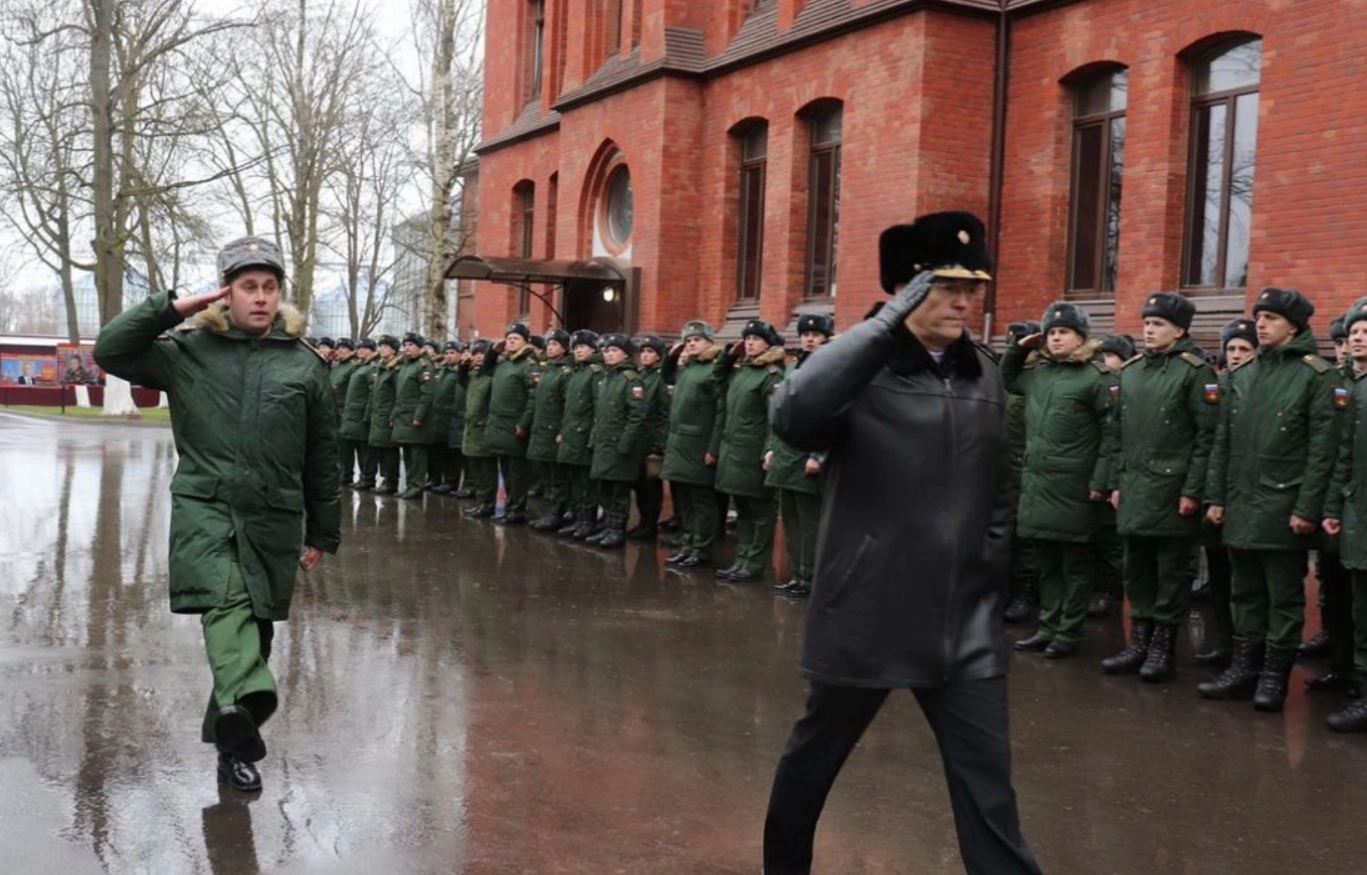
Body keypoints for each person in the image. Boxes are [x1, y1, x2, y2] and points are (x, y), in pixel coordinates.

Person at [762, 211, 1040, 875]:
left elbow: (1000, 482)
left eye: (972, 288)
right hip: (869, 609)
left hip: (962, 621)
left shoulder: (983, 373)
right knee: (813, 760)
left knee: (988, 791)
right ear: (909, 288)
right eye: (946, 287)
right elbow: (792, 415)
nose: (964, 301)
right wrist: (883, 324)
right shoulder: (860, 368)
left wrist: (990, 566)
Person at [92, 235, 340, 794]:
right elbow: (111, 349)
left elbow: (323, 456)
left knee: (254, 635)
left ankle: (233, 744)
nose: (261, 297)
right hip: (206, 511)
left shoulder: (304, 366)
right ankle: (253, 701)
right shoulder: (187, 352)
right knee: (227, 607)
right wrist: (175, 307)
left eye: (269, 287)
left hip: (274, 518)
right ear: (226, 293)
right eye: (248, 286)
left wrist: (324, 531)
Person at [1201, 287, 1340, 712]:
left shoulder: (1316, 376)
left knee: (1283, 597)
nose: (1260, 324)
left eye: (1271, 318)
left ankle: (1273, 679)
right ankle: (1245, 670)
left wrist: (1307, 508)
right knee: (1244, 592)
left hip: (1283, 506)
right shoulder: (1243, 376)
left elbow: (1323, 450)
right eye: (1259, 317)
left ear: (1294, 327)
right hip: (1241, 504)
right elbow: (1222, 444)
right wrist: (1216, 497)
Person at [1102, 293, 1218, 682]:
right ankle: (1139, 643)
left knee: (1170, 572)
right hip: (1134, 486)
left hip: (1172, 490)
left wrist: (1193, 490)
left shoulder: (1194, 372)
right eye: (1147, 323)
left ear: (1179, 330)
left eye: (1158, 324)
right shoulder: (1132, 371)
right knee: (1136, 570)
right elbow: (1116, 433)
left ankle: (1162, 648)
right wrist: (1116, 481)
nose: (1149, 330)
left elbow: (1206, 438)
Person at [1005, 301, 1116, 659]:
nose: (1055, 338)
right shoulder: (1038, 374)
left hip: (1075, 485)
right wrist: (1017, 348)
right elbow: (1007, 379)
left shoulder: (1096, 378)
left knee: (1075, 564)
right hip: (1040, 484)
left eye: (1063, 332)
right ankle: (1047, 627)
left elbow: (1112, 435)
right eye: (1051, 333)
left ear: (1081, 337)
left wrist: (1101, 480)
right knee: (1046, 563)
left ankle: (1068, 631)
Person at [1195, 318, 1258, 666]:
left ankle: (1247, 650)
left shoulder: (1257, 389)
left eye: (1244, 349)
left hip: (1245, 496)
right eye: (1231, 348)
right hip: (1214, 493)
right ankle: (1225, 640)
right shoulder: (1215, 388)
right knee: (1219, 574)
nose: (1235, 355)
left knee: (1245, 582)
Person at [1323, 297, 1367, 731]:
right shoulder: (1349, 386)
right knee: (1357, 607)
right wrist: (1335, 507)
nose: (1358, 338)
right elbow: (1342, 458)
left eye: (1366, 332)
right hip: (1357, 512)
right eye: (1354, 332)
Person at [714, 320, 786, 583]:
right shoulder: (742, 371)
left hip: (754, 453)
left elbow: (774, 419)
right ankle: (742, 559)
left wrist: (770, 449)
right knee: (743, 510)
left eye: (756, 339)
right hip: (735, 452)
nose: (750, 343)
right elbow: (717, 377)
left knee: (761, 512)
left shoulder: (772, 375)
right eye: (748, 339)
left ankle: (755, 564)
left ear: (768, 344)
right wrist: (729, 354)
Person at [767, 314, 832, 598]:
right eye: (806, 335)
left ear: (826, 338)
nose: (809, 339)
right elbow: (780, 412)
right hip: (786, 455)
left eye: (816, 335)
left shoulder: (831, 368)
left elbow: (832, 416)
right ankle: (798, 576)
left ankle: (812, 578)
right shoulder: (792, 367)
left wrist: (819, 455)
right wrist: (771, 448)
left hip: (808, 457)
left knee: (811, 525)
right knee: (791, 521)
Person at [660, 322, 726, 569]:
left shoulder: (713, 370)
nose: (691, 344)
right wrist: (672, 356)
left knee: (702, 501)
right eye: (688, 341)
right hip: (679, 443)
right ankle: (688, 544)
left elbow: (721, 413)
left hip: (699, 445)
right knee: (684, 500)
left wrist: (714, 448)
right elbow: (667, 377)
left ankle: (702, 548)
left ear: (710, 342)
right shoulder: (687, 368)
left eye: (697, 339)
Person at [587, 334, 648, 549]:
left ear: (626, 354)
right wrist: (594, 438)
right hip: (603, 443)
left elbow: (637, 415)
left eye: (614, 350)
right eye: (606, 350)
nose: (609, 354)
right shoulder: (607, 378)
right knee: (605, 488)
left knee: (618, 491)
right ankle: (607, 526)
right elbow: (599, 414)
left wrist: (625, 443)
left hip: (619, 445)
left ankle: (617, 529)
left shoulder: (631, 380)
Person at [485, 323, 538, 523]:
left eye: (516, 338)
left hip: (515, 425)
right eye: (509, 338)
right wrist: (492, 352)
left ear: (526, 342)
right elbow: (485, 371)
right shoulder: (503, 363)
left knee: (517, 472)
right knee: (506, 470)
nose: (511, 342)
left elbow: (533, 397)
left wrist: (524, 423)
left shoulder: (529, 365)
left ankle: (517, 510)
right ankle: (509, 508)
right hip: (499, 425)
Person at [558, 331, 604, 538]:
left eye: (582, 347)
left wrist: (592, 437)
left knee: (587, 483)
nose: (578, 351)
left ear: (593, 349)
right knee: (576, 481)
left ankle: (588, 521)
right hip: (572, 435)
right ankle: (578, 519)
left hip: (584, 436)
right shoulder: (577, 373)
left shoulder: (595, 373)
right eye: (575, 348)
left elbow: (598, 408)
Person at [527, 329, 574, 531]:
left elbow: (567, 405)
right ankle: (549, 512)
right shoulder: (548, 369)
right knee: (546, 473)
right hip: (542, 429)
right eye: (549, 344)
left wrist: (562, 430)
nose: (550, 347)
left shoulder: (565, 373)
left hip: (554, 430)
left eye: (555, 344)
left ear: (564, 348)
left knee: (557, 476)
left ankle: (557, 513)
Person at [628, 335, 670, 541]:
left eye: (650, 352)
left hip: (650, 440)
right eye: (643, 351)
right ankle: (643, 522)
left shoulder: (659, 379)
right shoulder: (639, 376)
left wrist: (659, 443)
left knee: (650, 486)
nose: (645, 355)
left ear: (659, 356)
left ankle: (649, 524)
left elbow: (664, 413)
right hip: (638, 439)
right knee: (638, 483)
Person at [391, 332, 436, 500]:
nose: (407, 348)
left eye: (411, 345)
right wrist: (394, 415)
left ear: (419, 347)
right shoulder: (406, 366)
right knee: (408, 455)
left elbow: (427, 394)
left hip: (415, 418)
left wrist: (419, 417)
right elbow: (400, 395)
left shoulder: (424, 366)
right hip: (403, 417)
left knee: (417, 456)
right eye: (405, 345)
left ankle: (417, 487)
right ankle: (410, 485)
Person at [461, 340, 499, 517]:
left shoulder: (491, 376)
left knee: (486, 471)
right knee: (476, 469)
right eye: (475, 354)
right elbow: (461, 380)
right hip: (472, 428)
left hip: (484, 427)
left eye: (481, 354)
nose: (478, 357)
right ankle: (481, 501)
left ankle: (488, 504)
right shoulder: (474, 376)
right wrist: (463, 366)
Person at [366, 336, 403, 495]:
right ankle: (385, 479)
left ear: (394, 350)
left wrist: (393, 416)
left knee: (389, 451)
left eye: (386, 346)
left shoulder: (395, 370)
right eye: (380, 346)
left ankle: (391, 481)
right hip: (378, 415)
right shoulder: (381, 368)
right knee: (381, 449)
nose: (382, 349)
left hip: (387, 416)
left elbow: (399, 395)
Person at [340, 339, 378, 490]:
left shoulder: (371, 368)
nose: (361, 350)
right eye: (359, 348)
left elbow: (372, 393)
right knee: (354, 447)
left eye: (365, 348)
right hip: (352, 415)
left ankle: (368, 478)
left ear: (372, 351)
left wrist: (367, 415)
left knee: (365, 450)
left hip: (362, 415)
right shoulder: (358, 367)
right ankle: (358, 477)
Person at [428, 341, 465, 494]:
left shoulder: (460, 372)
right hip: (440, 417)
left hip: (453, 416)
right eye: (447, 353)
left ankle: (451, 482)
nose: (449, 356)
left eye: (452, 353)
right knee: (440, 451)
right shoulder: (443, 370)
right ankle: (437, 479)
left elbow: (459, 395)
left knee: (453, 453)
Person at [329, 339, 359, 485]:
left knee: (346, 445)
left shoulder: (352, 367)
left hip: (345, 410)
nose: (340, 350)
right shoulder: (336, 367)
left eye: (344, 348)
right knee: (336, 445)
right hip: (333, 409)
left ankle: (347, 474)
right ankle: (339, 471)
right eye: (338, 348)